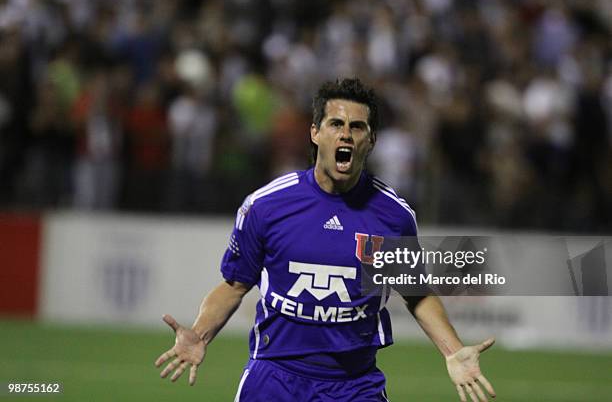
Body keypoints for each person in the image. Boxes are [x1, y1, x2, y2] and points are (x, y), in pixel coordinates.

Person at [154, 78, 496, 402]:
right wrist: (199, 334)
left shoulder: (392, 217)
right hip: (274, 378)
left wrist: (453, 351)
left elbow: (416, 296)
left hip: (354, 385)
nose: (345, 134)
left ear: (371, 139)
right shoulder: (266, 207)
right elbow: (234, 285)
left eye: (357, 127)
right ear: (315, 132)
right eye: (336, 124)